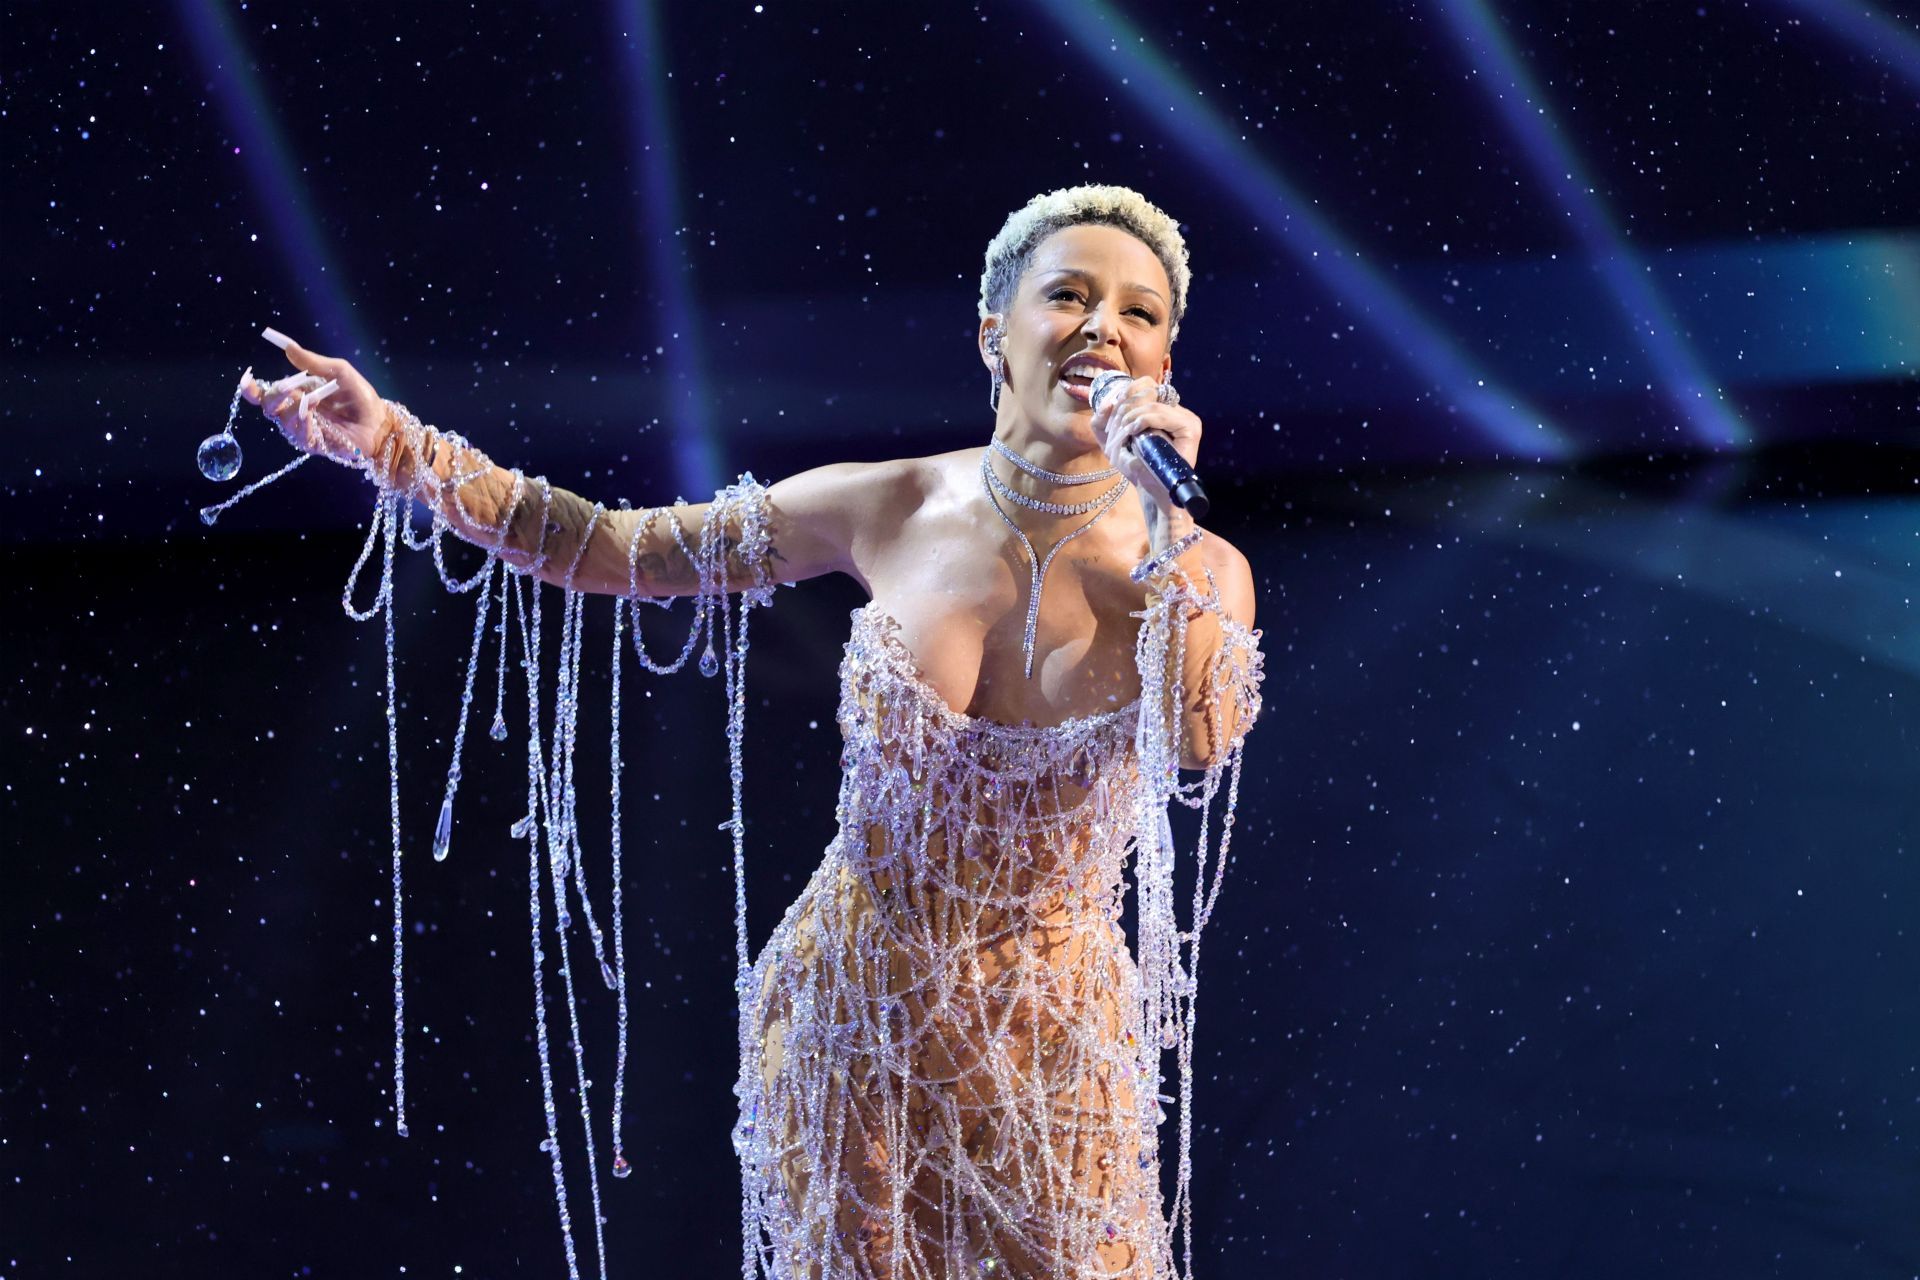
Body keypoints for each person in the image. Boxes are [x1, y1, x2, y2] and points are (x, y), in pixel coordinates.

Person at [241, 183, 1264, 1279]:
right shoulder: (890, 503)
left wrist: (1167, 525)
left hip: (1052, 1041)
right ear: (994, 335)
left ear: (1162, 363)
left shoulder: (1201, 570)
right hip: (852, 1012)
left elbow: (1202, 739)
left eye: (1141, 313)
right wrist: (398, 445)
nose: (1104, 325)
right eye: (1068, 294)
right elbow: (614, 548)